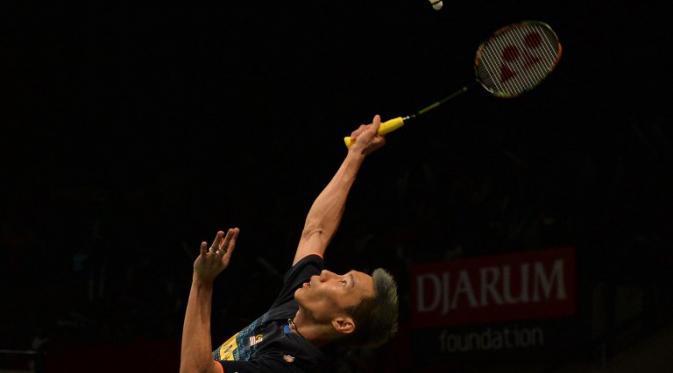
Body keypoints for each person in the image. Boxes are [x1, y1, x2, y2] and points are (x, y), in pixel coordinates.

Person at [180, 115, 399, 373]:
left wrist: (202, 283)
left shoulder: (293, 365)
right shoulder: (296, 308)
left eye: (343, 282)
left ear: (342, 323)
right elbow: (315, 231)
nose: (327, 273)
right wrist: (356, 153)